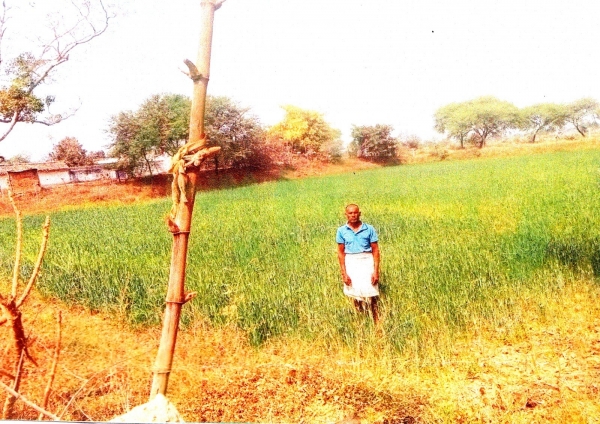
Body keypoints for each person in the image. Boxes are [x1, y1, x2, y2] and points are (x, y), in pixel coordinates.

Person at [336, 203, 380, 323]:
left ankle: (376, 321)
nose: (353, 215)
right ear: (346, 215)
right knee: (355, 293)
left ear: (359, 214)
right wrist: (344, 273)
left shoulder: (369, 229)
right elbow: (340, 253)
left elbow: (375, 250)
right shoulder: (341, 231)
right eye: (350, 213)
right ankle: (361, 321)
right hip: (351, 262)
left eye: (355, 212)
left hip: (366, 261)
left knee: (371, 292)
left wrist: (376, 271)